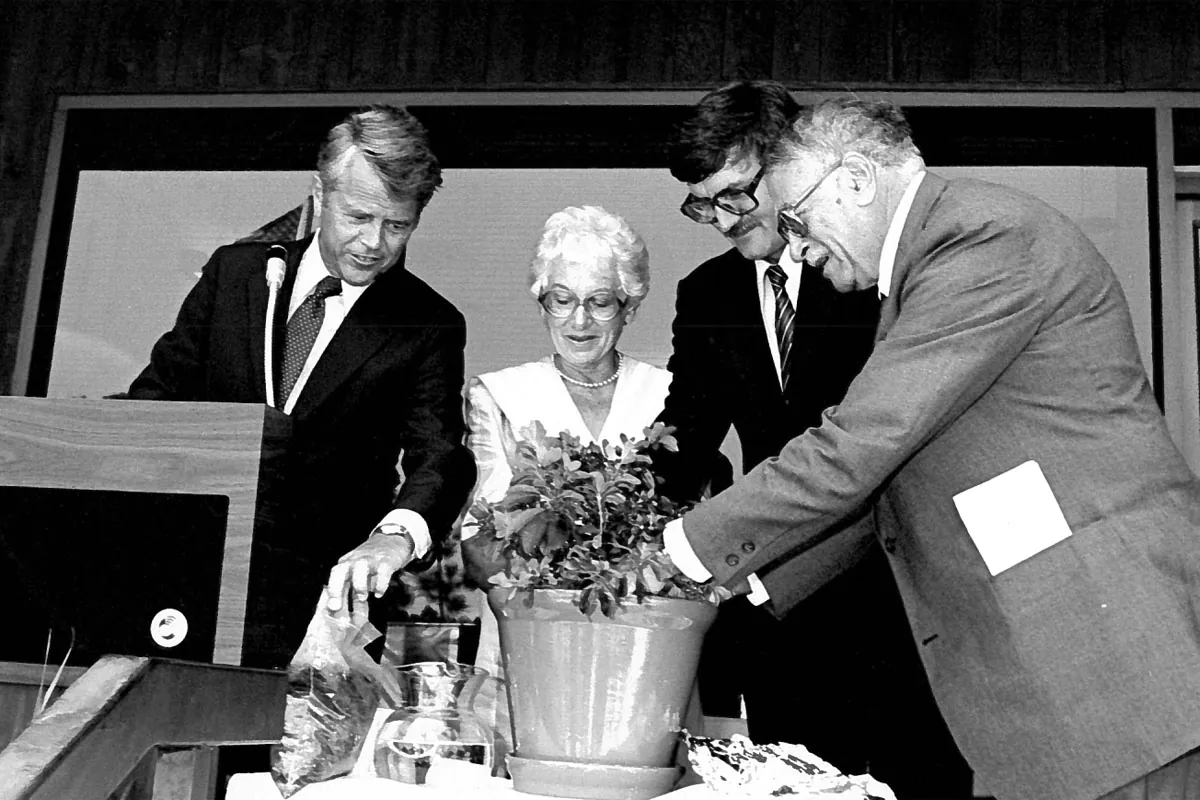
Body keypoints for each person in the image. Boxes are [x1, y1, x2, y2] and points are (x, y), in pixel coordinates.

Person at [665, 95, 1200, 800]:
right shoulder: (928, 265)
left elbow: (859, 446)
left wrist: (679, 552)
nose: (794, 247)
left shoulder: (981, 241)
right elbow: (899, 479)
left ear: (856, 181)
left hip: (1105, 660)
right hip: (1042, 666)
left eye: (796, 219)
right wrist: (751, 581)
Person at [653, 81, 969, 797]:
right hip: (782, 617)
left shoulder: (876, 271)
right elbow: (684, 438)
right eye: (702, 205)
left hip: (903, 609)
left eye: (736, 196)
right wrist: (611, 514)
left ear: (788, 167)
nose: (721, 221)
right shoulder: (706, 294)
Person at [127, 104, 476, 668]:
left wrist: (394, 537)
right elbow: (156, 400)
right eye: (358, 216)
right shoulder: (236, 274)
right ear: (319, 195)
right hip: (183, 581)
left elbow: (439, 456)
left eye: (397, 226)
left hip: (318, 610)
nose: (374, 243)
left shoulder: (428, 324)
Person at [458, 205, 672, 766]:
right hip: (528, 643)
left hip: (645, 649)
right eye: (562, 299)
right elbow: (480, 545)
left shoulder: (668, 395)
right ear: (542, 302)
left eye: (600, 301)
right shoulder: (500, 394)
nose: (579, 320)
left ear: (629, 306)